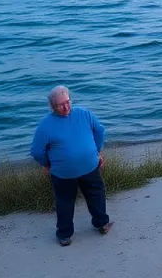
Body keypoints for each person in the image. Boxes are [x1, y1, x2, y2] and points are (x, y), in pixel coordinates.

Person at [29, 86, 111, 246]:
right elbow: (36, 152)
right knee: (67, 201)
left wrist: (96, 151)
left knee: (94, 195)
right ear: (52, 106)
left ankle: (98, 225)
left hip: (87, 166)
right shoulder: (46, 125)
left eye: (67, 102)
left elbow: (100, 131)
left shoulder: (84, 114)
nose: (66, 107)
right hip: (65, 172)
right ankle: (68, 234)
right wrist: (47, 164)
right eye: (61, 105)